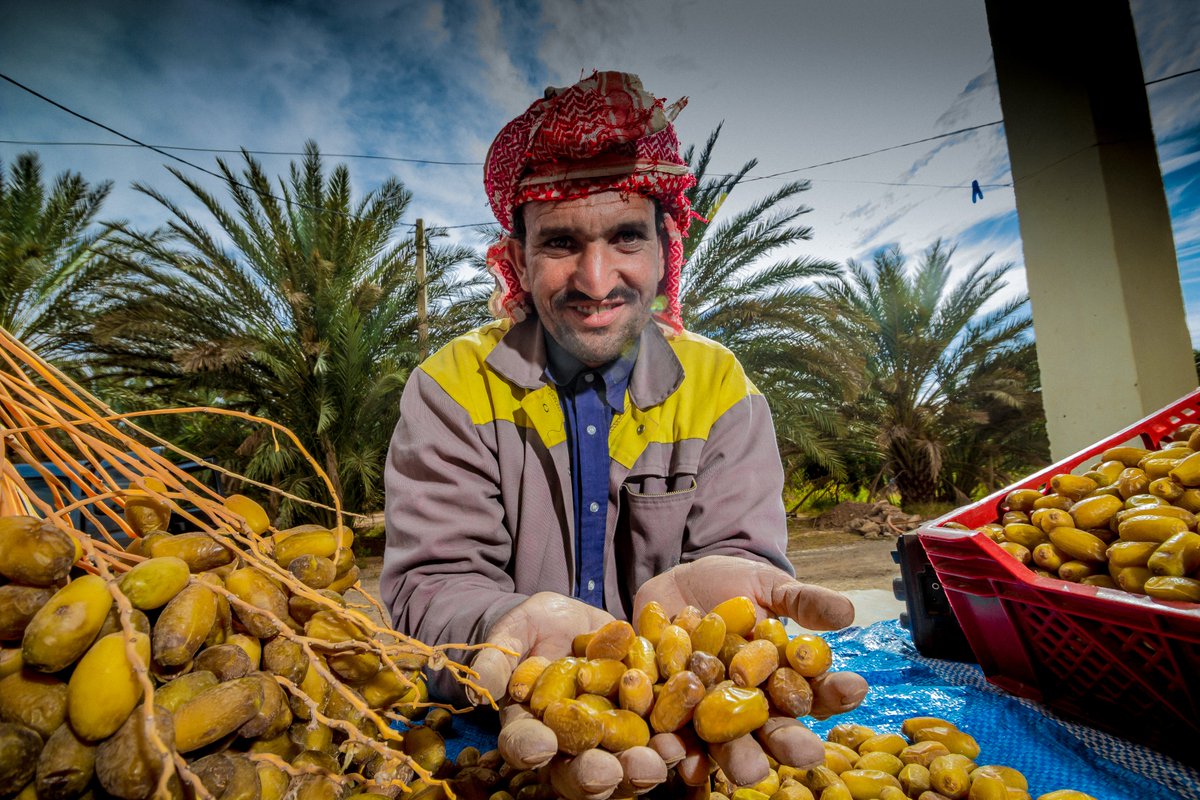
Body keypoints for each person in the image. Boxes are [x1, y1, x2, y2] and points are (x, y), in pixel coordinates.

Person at [381, 71, 866, 798]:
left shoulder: (720, 387)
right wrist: (507, 623)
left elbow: (739, 555)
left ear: (666, 250)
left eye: (625, 237)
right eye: (561, 243)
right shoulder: (451, 386)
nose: (596, 278)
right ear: (517, 260)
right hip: (499, 729)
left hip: (682, 750)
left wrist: (728, 609)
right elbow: (428, 584)